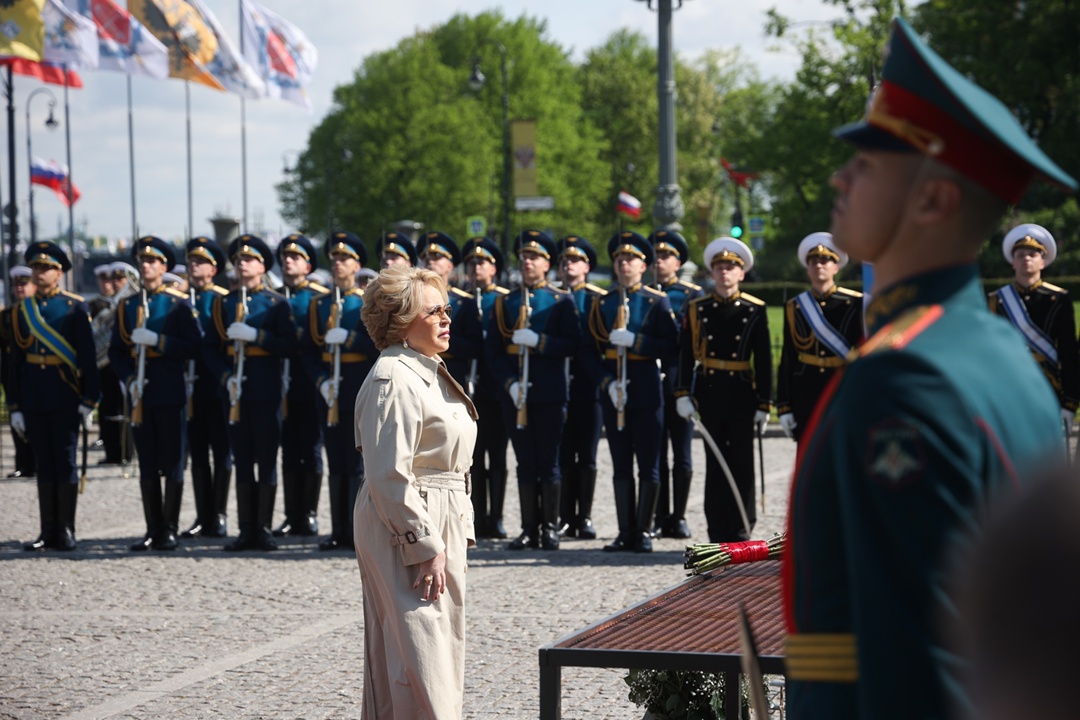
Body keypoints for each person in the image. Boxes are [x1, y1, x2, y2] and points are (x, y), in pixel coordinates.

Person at [781, 17, 1075, 719]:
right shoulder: (992, 351)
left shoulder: (905, 381)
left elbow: (916, 658)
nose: (839, 175)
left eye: (868, 163)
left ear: (935, 199)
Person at [353, 265, 478, 719]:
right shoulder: (395, 377)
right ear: (402, 321)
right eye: (435, 311)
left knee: (432, 650)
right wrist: (423, 544)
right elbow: (388, 473)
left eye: (448, 309)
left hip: (435, 511)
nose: (447, 319)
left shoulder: (421, 368)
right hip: (408, 518)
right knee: (420, 657)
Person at [485, 230, 580, 550]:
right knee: (525, 460)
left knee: (549, 461)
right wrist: (509, 383)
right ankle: (529, 527)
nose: (528, 262)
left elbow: (573, 344)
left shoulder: (560, 301)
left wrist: (540, 342)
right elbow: (493, 351)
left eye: (535, 257)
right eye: (524, 257)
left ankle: (550, 527)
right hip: (517, 393)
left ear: (547, 264)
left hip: (550, 391)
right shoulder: (505, 302)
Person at [202, 234, 297, 552]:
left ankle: (264, 527)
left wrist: (258, 336)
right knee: (242, 459)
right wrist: (225, 375)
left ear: (261, 266)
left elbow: (288, 347)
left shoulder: (275, 304)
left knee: (267, 459)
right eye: (238, 260)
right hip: (235, 391)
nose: (242, 264)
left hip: (265, 389)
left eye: (248, 260)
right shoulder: (223, 302)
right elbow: (210, 349)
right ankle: (245, 529)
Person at [586, 231, 679, 553]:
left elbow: (673, 346)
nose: (624, 264)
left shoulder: (656, 301)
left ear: (644, 265)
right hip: (616, 390)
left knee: (649, 464)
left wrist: (637, 342)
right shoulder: (603, 303)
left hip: (646, 388)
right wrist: (607, 383)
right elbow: (588, 353)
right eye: (619, 259)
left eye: (631, 259)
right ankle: (625, 530)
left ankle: (644, 530)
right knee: (621, 462)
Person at [675, 237, 772, 542]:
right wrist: (682, 393)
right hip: (710, 390)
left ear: (741, 274)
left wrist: (764, 402)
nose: (724, 273)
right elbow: (685, 353)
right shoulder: (697, 308)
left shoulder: (754, 309)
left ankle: (742, 527)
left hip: (742, 392)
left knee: (742, 462)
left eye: (731, 268)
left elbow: (765, 358)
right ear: (712, 273)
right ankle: (717, 529)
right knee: (715, 462)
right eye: (719, 268)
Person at [109, 236, 202, 551]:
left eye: (152, 261)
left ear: (164, 267)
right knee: (147, 462)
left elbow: (193, 347)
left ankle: (169, 529)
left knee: (173, 462)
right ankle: (152, 528)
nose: (146, 266)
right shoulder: (128, 305)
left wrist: (158, 342)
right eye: (142, 261)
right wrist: (127, 380)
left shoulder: (177, 304)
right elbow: (117, 351)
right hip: (140, 394)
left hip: (169, 390)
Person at [9, 242, 100, 551]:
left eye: (45, 268)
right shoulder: (22, 311)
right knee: (43, 464)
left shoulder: (75, 307)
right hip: (34, 395)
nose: (39, 273)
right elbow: (14, 362)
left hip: (64, 393)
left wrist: (89, 399)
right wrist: (15, 406)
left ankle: (66, 530)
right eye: (36, 268)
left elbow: (87, 357)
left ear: (59, 273)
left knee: (65, 462)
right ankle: (47, 531)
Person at [302, 231, 377, 551]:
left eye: (344, 259)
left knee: (357, 463)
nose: (337, 264)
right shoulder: (318, 303)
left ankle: (357, 529)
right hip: (329, 392)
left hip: (357, 388)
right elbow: (306, 350)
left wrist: (348, 339)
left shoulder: (366, 303)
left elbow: (377, 346)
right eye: (334, 259)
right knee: (335, 462)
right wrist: (321, 381)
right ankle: (338, 529)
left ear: (357, 264)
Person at [988, 223, 1079, 434]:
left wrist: (1070, 403)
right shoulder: (996, 300)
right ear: (1012, 262)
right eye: (1020, 254)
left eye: (1032, 254)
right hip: (1009, 388)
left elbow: (1069, 353)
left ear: (1043, 262)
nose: (1026, 259)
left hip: (1048, 388)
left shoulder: (1059, 299)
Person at [776, 232, 863, 442]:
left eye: (825, 261)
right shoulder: (795, 306)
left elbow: (862, 351)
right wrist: (784, 406)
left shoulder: (853, 303)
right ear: (807, 269)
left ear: (836, 267)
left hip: (840, 386)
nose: (819, 266)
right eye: (813, 262)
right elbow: (788, 358)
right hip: (805, 389)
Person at [649, 229, 703, 539]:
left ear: (678, 261)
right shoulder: (643, 294)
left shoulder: (690, 294)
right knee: (655, 454)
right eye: (656, 255)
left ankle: (678, 516)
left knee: (682, 453)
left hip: (679, 382)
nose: (660, 260)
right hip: (649, 384)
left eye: (666, 255)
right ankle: (659, 516)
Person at [274, 233, 329, 538]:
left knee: (312, 449)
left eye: (295, 257)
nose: (287, 261)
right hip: (281, 383)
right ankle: (290, 514)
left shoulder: (317, 297)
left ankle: (308, 513)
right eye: (284, 257)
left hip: (309, 383)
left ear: (308, 266)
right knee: (289, 450)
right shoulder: (273, 295)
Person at [180, 237, 232, 538]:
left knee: (222, 452)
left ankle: (220, 514)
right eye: (191, 262)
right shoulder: (182, 300)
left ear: (213, 269)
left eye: (199, 262)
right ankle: (203, 515)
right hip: (190, 387)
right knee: (198, 454)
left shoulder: (221, 299)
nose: (192, 266)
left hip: (218, 385)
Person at [554, 235, 604, 539]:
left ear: (586, 266)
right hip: (558, 387)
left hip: (588, 387)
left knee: (586, 455)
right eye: (564, 261)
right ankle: (563, 516)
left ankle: (583, 517)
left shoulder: (597, 298)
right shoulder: (555, 297)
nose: (568, 265)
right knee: (562, 454)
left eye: (575, 260)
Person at [461, 235, 511, 539]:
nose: (475, 267)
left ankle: (497, 517)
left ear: (494, 268)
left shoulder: (501, 300)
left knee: (499, 453)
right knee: (473, 457)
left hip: (496, 388)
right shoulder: (462, 302)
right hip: (469, 388)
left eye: (482, 262)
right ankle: (477, 516)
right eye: (471, 263)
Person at [1, 266, 37, 478]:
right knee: (16, 415)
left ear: (33, 286)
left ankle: (38, 462)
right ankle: (23, 464)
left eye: (24, 285)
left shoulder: (38, 314)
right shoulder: (7, 315)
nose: (20, 289)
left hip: (34, 370)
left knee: (36, 418)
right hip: (11, 370)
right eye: (17, 285)